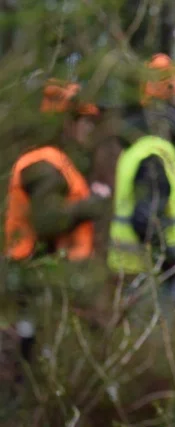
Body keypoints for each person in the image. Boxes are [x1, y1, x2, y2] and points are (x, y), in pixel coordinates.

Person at [3, 79, 111, 370]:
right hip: (36, 271)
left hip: (46, 271)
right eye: (83, 121)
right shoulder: (44, 164)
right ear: (65, 120)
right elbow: (48, 222)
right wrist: (93, 204)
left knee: (39, 347)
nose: (88, 129)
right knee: (33, 351)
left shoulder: (56, 160)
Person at [107, 54, 175, 308]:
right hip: (152, 277)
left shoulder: (149, 148)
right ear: (171, 106)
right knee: (154, 345)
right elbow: (145, 219)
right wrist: (171, 262)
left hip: (144, 272)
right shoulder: (153, 154)